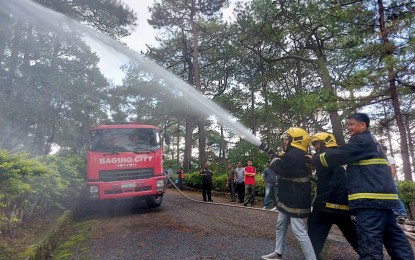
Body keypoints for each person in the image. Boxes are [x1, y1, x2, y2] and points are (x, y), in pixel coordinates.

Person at [309, 113, 414, 259]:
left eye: (352, 124)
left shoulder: (361, 141)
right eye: (348, 125)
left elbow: (340, 155)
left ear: (363, 125)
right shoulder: (372, 142)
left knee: (369, 246)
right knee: (395, 240)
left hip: (370, 202)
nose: (349, 128)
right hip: (384, 202)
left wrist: (315, 159)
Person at [262, 127, 316, 260]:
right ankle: (278, 253)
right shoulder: (293, 153)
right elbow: (283, 162)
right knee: (280, 225)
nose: (285, 141)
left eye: (287, 139)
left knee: (299, 232)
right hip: (288, 197)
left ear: (296, 141)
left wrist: (273, 158)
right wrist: (274, 156)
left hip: (296, 199)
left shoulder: (296, 154)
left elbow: (281, 168)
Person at [307, 132, 359, 258]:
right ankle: (370, 255)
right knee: (353, 236)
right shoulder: (335, 157)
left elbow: (323, 165)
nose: (315, 147)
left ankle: (312, 256)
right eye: (314, 144)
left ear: (327, 142)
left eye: (317, 144)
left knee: (314, 230)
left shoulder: (329, 156)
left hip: (327, 205)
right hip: (341, 206)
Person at [382, 145, 407, 220]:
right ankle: (394, 213)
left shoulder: (389, 158)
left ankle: (402, 213)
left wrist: (391, 179)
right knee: (388, 197)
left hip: (391, 181)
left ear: (386, 151)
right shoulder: (380, 159)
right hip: (384, 182)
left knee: (395, 196)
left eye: (383, 150)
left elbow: (393, 169)